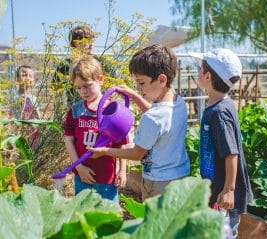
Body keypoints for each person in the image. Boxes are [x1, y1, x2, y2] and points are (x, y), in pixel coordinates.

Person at [89, 44, 190, 201]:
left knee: (155, 224)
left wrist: (104, 151)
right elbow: (157, 116)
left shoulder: (151, 118)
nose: (138, 87)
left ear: (161, 79)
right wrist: (133, 95)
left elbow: (136, 154)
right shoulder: (178, 102)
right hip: (180, 176)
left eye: (141, 83)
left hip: (157, 183)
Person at [189, 48, 253, 239]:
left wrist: (228, 190)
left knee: (223, 234)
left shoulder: (219, 113)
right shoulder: (218, 107)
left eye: (200, 68)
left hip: (223, 195)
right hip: (216, 189)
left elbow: (231, 153)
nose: (197, 72)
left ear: (207, 76)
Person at [64, 55, 127, 202]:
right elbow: (68, 141)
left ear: (100, 80)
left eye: (86, 86)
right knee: (83, 217)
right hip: (82, 178)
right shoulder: (75, 111)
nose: (83, 91)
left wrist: (122, 170)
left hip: (107, 178)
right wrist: (79, 168)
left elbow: (121, 144)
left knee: (108, 217)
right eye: (79, 88)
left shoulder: (113, 110)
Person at [52, 25, 95, 106]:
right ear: (75, 43)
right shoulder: (64, 65)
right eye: (87, 40)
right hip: (74, 109)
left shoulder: (100, 62)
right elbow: (56, 90)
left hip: (98, 109)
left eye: (92, 39)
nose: (91, 43)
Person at [10, 65, 40, 150]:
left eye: (30, 76)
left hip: (33, 136)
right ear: (17, 79)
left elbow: (38, 117)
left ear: (33, 81)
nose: (27, 78)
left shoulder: (34, 98)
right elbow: (12, 118)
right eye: (24, 75)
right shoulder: (15, 99)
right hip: (19, 136)